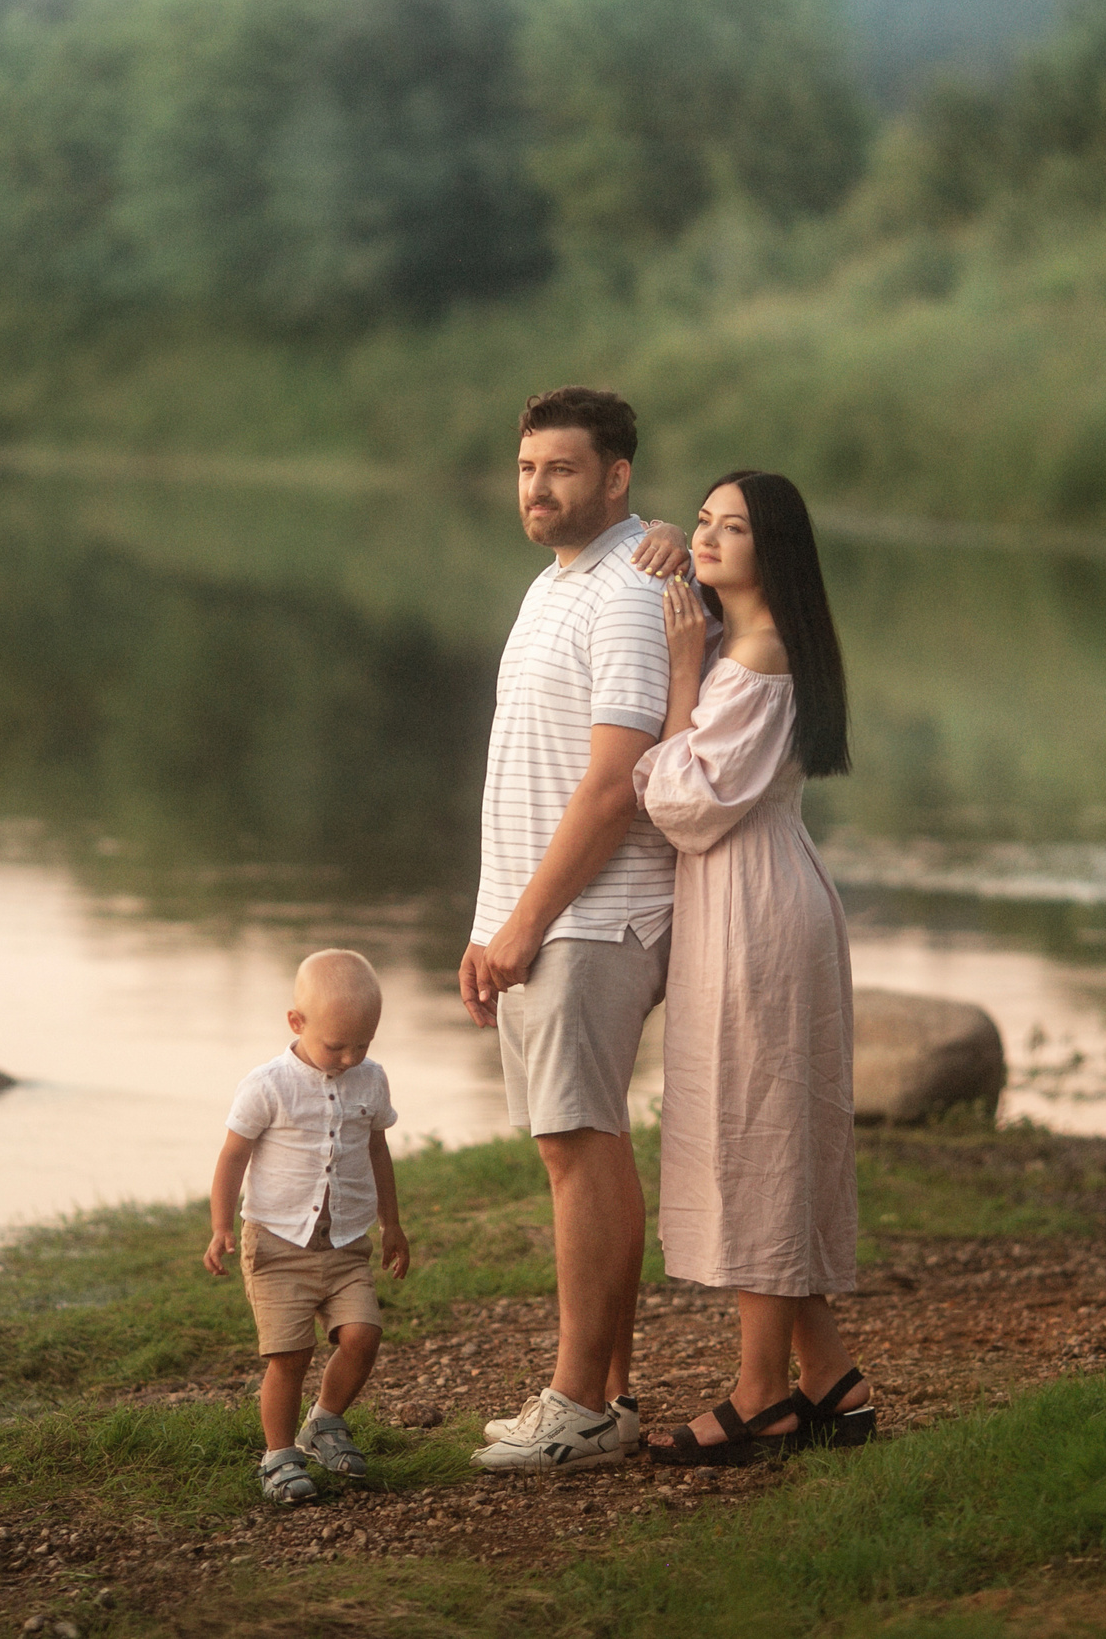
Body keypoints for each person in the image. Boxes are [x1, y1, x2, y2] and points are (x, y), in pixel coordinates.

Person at [463, 385, 694, 1474]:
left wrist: (526, 925)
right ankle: (600, 1396)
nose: (537, 488)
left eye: (560, 469)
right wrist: (492, 924)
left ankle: (582, 1407)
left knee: (578, 1145)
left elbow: (614, 786)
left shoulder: (632, 589)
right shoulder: (555, 583)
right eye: (524, 469)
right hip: (542, 917)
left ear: (616, 478)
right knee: (575, 1144)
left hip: (594, 918)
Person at [634, 469, 876, 1465]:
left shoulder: (755, 657)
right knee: (763, 1133)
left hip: (755, 915)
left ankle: (758, 1395)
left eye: (731, 529)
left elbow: (682, 803)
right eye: (701, 521)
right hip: (759, 897)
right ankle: (830, 1380)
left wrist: (683, 671)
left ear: (771, 548)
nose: (707, 538)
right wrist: (658, 537)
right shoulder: (761, 641)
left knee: (757, 1141)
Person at [204, 949, 411, 1503]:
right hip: (277, 1244)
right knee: (289, 1356)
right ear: (296, 1024)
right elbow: (232, 1156)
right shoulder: (268, 1084)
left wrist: (392, 1224)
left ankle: (324, 1421)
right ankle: (278, 1455)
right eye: (335, 1045)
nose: (349, 1058)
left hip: (346, 1242)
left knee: (363, 1335)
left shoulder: (371, 1080)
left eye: (362, 1045)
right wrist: (221, 1224)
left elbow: (377, 1149)